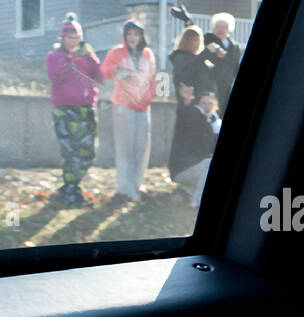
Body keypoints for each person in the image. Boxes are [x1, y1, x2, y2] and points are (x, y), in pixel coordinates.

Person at [45, 13, 105, 206]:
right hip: (64, 108)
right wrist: (70, 59)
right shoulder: (54, 56)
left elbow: (100, 78)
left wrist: (92, 58)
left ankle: (70, 187)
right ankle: (71, 191)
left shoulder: (86, 56)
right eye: (71, 38)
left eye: (77, 38)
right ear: (63, 38)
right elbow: (56, 78)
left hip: (86, 107)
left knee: (88, 151)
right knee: (69, 151)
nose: (74, 42)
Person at [99, 20, 156, 201]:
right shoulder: (117, 52)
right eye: (129, 34)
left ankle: (137, 183)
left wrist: (149, 97)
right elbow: (104, 72)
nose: (133, 38)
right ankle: (125, 187)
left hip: (143, 106)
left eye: (136, 34)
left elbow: (153, 79)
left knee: (141, 146)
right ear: (124, 36)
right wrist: (116, 69)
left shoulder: (148, 54)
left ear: (141, 36)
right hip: (123, 106)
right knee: (125, 147)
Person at [168, 87, 220, 208]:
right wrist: (186, 101)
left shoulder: (214, 123)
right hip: (183, 170)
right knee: (210, 163)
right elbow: (184, 114)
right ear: (197, 105)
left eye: (210, 103)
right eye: (203, 103)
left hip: (197, 170)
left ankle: (187, 192)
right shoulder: (193, 117)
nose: (207, 106)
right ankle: (196, 202)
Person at [201, 12, 243, 113]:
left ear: (229, 29)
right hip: (211, 83)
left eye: (223, 27)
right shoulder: (208, 43)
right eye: (217, 27)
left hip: (227, 84)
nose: (220, 30)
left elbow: (236, 65)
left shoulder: (234, 46)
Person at [167, 25, 216, 103]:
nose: (198, 43)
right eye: (195, 40)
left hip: (204, 101)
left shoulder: (198, 58)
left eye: (199, 40)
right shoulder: (179, 57)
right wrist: (206, 52)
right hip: (189, 101)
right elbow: (190, 69)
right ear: (187, 41)